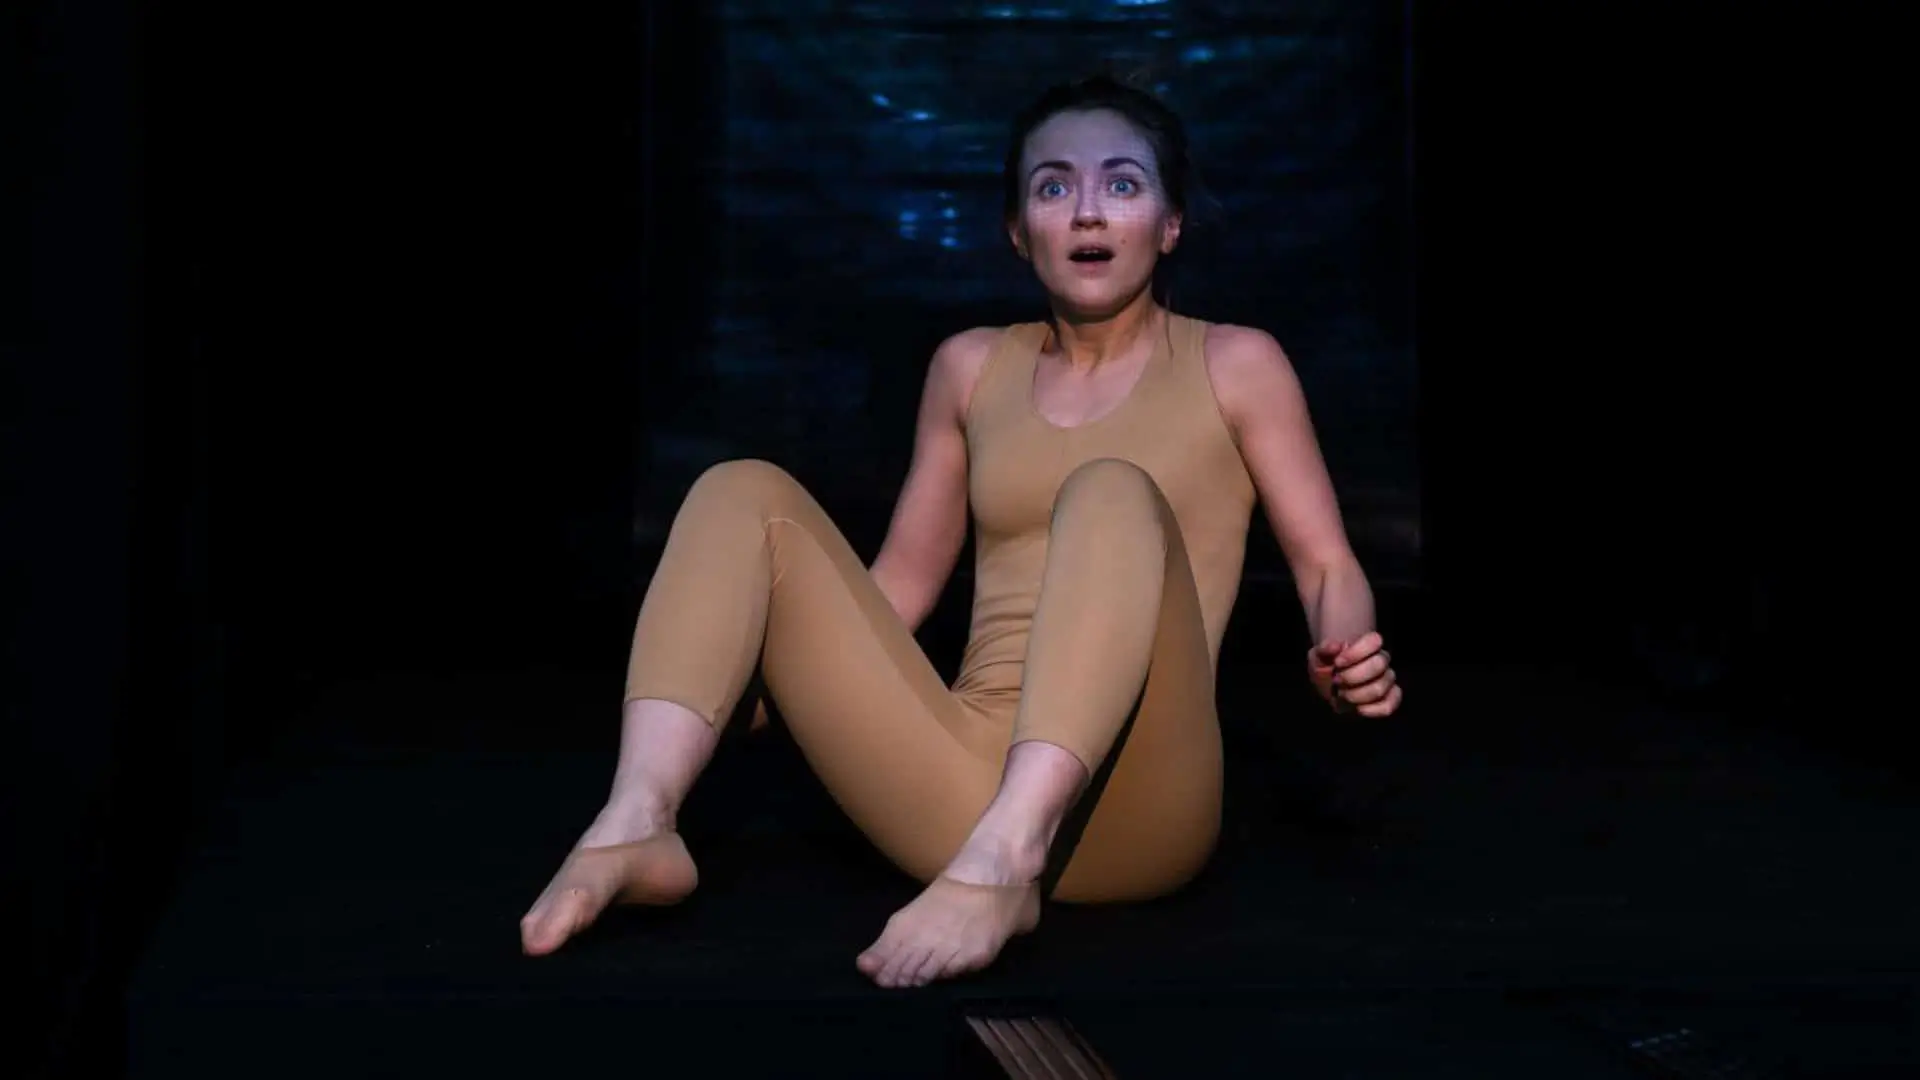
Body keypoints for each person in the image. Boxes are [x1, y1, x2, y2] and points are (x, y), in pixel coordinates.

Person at [519, 74, 1403, 989]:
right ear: (1019, 231)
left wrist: (1347, 656)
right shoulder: (971, 367)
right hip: (955, 790)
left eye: (1122, 184)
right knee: (739, 489)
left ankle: (1009, 858)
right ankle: (637, 822)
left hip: (1137, 805)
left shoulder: (1238, 362)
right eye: (1054, 187)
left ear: (1170, 223)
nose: (1088, 210)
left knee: (1110, 490)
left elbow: (1325, 565)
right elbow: (898, 588)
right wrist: (736, 673)